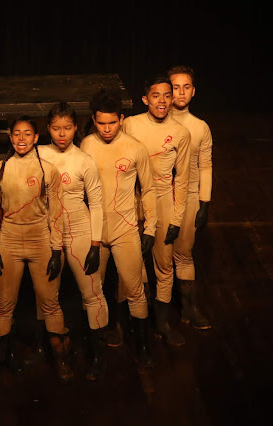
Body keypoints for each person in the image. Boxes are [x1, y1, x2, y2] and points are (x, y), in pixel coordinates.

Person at [0, 115, 72, 385]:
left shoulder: (49, 170)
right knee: (3, 306)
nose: (21, 139)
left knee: (50, 303)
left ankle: (61, 360)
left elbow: (56, 211)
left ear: (36, 138)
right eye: (17, 134)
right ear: (10, 137)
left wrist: (56, 249)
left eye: (27, 134)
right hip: (9, 240)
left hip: (40, 240)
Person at [80, 88, 158, 369]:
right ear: (93, 120)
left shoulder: (135, 148)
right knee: (93, 291)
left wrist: (150, 228)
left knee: (135, 289)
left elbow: (149, 189)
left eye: (112, 123)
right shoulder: (87, 145)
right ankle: (96, 350)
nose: (107, 129)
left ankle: (143, 346)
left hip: (125, 228)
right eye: (101, 123)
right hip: (95, 231)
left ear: (121, 119)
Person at [36, 102, 107, 380]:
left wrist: (95, 244)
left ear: (76, 128)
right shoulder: (39, 155)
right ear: (48, 129)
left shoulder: (84, 160)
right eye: (56, 128)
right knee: (47, 295)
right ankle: (55, 353)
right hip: (47, 233)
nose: (62, 134)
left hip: (79, 230)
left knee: (93, 293)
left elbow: (97, 204)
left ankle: (98, 354)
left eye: (67, 128)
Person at [122, 76, 191, 346]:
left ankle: (162, 322)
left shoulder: (181, 133)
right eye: (155, 96)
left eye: (166, 95)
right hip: (133, 197)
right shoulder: (131, 125)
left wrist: (176, 218)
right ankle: (135, 319)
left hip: (163, 199)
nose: (162, 101)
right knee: (132, 262)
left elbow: (182, 179)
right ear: (145, 99)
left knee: (164, 263)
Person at [168, 65, 213, 330]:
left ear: (193, 91)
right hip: (161, 197)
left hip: (189, 198)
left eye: (186, 87)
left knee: (183, 254)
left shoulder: (200, 127)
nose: (181, 92)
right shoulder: (154, 124)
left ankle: (189, 307)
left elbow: (205, 166)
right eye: (175, 87)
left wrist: (204, 203)